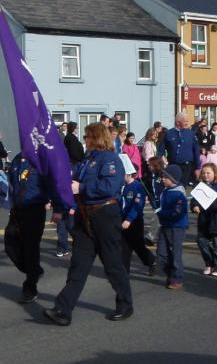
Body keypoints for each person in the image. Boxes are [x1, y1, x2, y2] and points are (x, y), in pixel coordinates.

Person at [44, 123, 132, 326]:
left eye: (87, 136)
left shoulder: (111, 159)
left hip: (105, 215)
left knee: (112, 264)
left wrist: (81, 187)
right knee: (79, 265)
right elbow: (71, 181)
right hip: (85, 217)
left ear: (96, 137)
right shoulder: (87, 160)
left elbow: (110, 187)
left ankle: (125, 303)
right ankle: (63, 309)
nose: (84, 139)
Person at [8, 153, 63, 303]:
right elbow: (13, 183)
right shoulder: (17, 160)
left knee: (30, 249)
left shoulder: (41, 161)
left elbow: (53, 184)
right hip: (17, 209)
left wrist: (57, 208)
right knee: (10, 244)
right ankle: (35, 270)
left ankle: (30, 287)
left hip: (34, 209)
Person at [156, 164, 188, 289]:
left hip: (176, 227)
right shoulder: (166, 191)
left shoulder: (179, 194)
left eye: (165, 177)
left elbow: (177, 213)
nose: (162, 179)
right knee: (161, 253)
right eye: (162, 176)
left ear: (173, 179)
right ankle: (170, 273)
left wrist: (161, 213)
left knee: (175, 253)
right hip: (165, 225)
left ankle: (177, 278)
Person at [120, 165, 156, 275]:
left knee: (138, 246)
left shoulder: (138, 187)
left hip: (134, 221)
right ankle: (124, 272)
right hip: (122, 220)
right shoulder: (122, 187)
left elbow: (138, 205)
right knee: (124, 247)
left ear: (129, 174)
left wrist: (129, 219)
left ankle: (151, 261)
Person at [157, 112, 201, 186]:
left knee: (182, 187)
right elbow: (160, 151)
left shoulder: (190, 134)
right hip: (173, 165)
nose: (187, 123)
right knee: (172, 186)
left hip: (186, 167)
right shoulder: (168, 134)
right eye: (185, 121)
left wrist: (198, 167)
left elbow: (196, 151)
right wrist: (162, 162)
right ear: (177, 122)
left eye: (187, 121)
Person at [143, 156, 165, 245]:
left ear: (156, 165)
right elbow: (146, 187)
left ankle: (150, 237)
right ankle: (152, 237)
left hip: (163, 201)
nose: (149, 167)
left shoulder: (163, 175)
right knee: (157, 219)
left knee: (156, 219)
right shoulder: (148, 176)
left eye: (151, 165)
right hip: (154, 201)